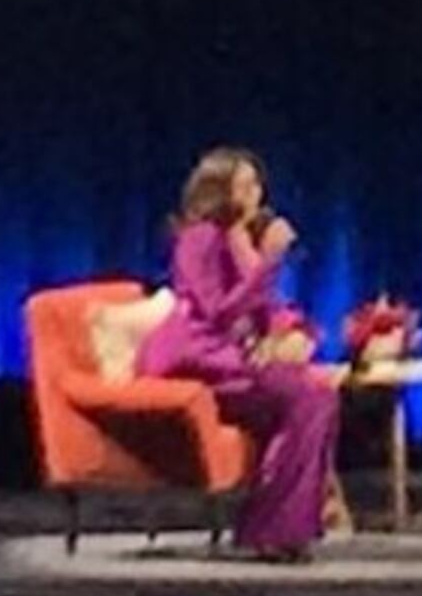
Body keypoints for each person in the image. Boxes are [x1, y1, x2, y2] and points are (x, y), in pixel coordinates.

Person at [135, 145, 343, 559]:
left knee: (316, 396)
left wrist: (296, 333)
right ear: (218, 192)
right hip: (195, 357)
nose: (255, 194)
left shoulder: (241, 239)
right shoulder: (198, 238)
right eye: (243, 186)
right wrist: (269, 262)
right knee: (308, 394)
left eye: (257, 185)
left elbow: (267, 308)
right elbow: (217, 311)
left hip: (231, 359)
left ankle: (280, 525)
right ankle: (271, 529)